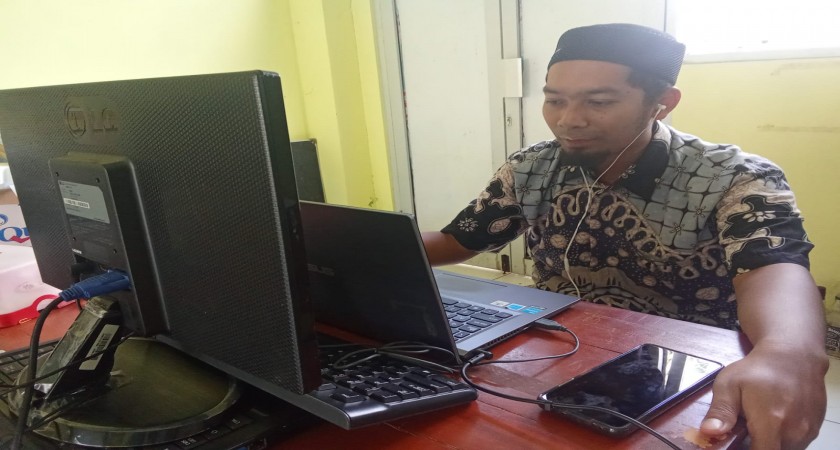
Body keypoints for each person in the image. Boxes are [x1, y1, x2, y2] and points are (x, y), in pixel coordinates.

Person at [422, 23, 828, 449]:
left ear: (662, 103)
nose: (568, 120)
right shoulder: (531, 168)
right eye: (554, 100)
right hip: (557, 352)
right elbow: (459, 241)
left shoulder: (734, 177)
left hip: (689, 373)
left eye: (598, 102)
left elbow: (774, 268)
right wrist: (378, 248)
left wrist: (787, 352)